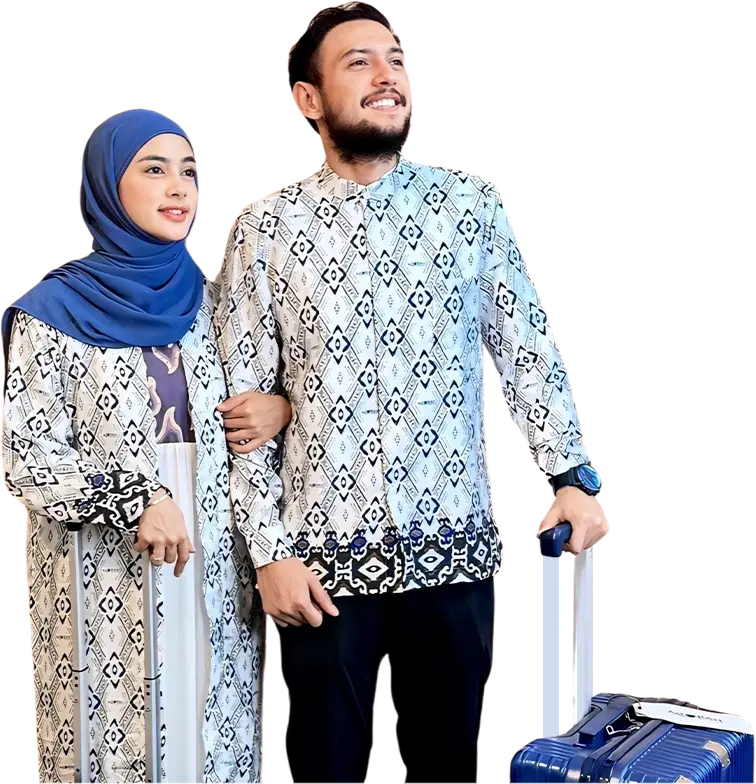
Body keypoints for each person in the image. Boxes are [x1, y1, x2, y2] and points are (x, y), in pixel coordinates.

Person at [215, 3, 611, 783]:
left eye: (395, 60)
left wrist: (572, 476)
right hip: (320, 571)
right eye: (358, 62)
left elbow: (526, 348)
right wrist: (270, 553)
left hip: (453, 556)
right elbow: (242, 407)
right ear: (307, 99)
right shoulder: (264, 225)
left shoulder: (469, 203)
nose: (387, 74)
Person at [1, 109, 291, 784]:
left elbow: (260, 406)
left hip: (215, 571)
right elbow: (26, 461)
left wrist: (281, 407)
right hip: (100, 577)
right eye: (154, 169)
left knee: (208, 743)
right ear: (105, 185)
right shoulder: (52, 312)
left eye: (188, 171)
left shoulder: (214, 304)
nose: (179, 187)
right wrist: (137, 497)